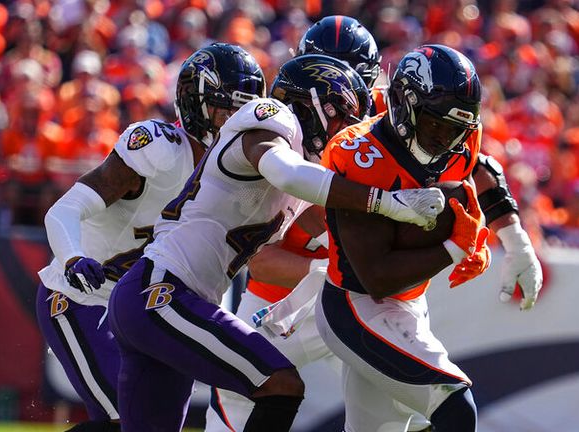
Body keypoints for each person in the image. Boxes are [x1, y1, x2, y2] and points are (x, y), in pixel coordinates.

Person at [107, 54, 449, 432]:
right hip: (161, 293)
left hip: (157, 297)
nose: (343, 133)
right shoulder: (271, 116)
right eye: (341, 119)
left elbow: (336, 238)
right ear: (312, 103)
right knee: (279, 384)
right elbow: (284, 171)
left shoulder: (301, 180)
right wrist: (388, 203)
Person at [35, 43, 267, 432]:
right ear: (196, 104)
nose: (233, 120)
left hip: (147, 310)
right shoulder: (159, 148)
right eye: (225, 108)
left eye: (241, 111)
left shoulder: (236, 175)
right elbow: (63, 210)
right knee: (124, 422)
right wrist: (73, 259)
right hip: (80, 297)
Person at [205, 15, 386, 431]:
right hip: (280, 298)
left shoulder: (387, 132)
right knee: (236, 384)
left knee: (389, 392)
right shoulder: (280, 132)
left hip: (361, 294)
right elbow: (263, 260)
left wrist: (511, 232)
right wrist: (329, 271)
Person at [315, 45, 491, 432]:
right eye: (436, 126)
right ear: (403, 104)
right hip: (357, 305)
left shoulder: (462, 140)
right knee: (456, 407)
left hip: (410, 303)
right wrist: (457, 244)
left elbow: (485, 176)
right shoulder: (362, 153)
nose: (445, 141)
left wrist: (491, 228)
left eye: (455, 130)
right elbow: (376, 277)